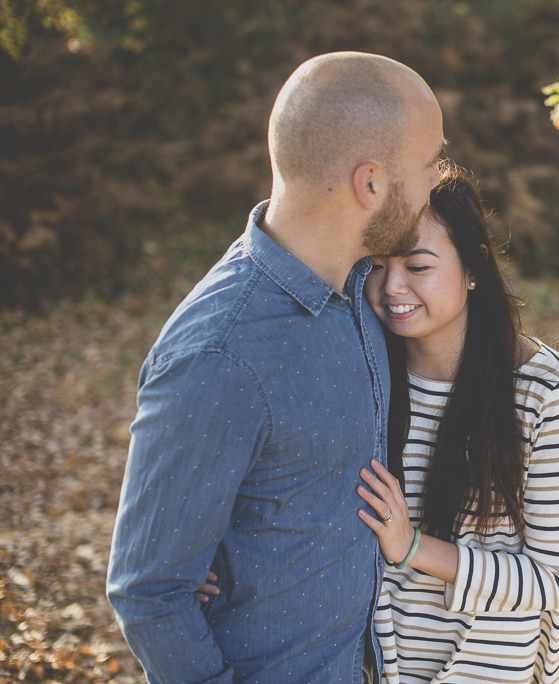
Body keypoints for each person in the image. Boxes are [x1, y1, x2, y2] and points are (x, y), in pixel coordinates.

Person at [106, 52, 445, 683]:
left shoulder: (367, 289)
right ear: (370, 184)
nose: (436, 186)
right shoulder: (220, 355)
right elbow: (150, 593)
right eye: (430, 166)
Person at [357, 165, 559, 683]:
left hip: (497, 665)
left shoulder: (543, 390)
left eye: (418, 266)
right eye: (377, 265)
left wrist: (413, 547)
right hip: (388, 664)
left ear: (472, 268)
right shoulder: (363, 370)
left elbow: (555, 583)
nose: (392, 286)